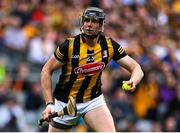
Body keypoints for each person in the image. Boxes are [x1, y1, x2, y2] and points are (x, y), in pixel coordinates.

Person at [41, 7, 144, 132]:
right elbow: (46, 70)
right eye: (86, 20)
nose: (89, 25)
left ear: (101, 25)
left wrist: (133, 80)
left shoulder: (109, 46)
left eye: (94, 21)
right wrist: (49, 104)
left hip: (92, 101)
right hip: (65, 103)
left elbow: (136, 68)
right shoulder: (69, 46)